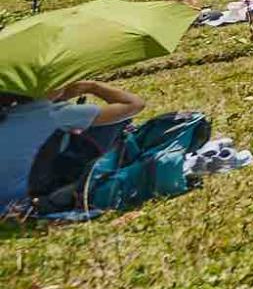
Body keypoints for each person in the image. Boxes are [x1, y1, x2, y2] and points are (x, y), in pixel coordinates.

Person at [1, 81, 148, 209]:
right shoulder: (53, 113)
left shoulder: (8, 112)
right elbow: (135, 104)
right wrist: (93, 87)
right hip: (23, 198)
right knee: (111, 125)